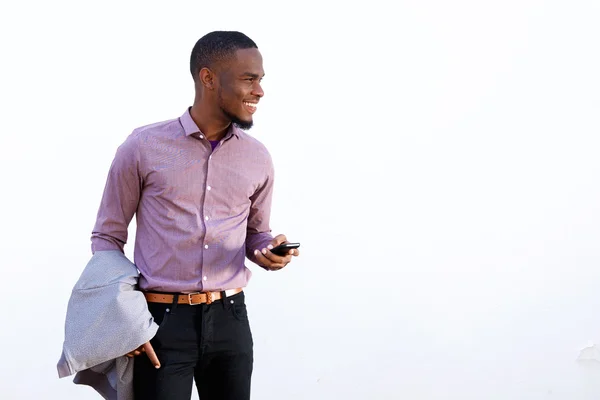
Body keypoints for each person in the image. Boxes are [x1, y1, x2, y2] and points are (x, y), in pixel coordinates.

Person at [90, 30, 299, 400]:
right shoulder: (142, 146)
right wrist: (127, 324)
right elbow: (107, 239)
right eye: (249, 79)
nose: (260, 91)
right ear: (208, 78)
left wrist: (268, 249)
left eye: (261, 80)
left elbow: (256, 234)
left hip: (231, 319)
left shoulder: (257, 157)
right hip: (159, 322)